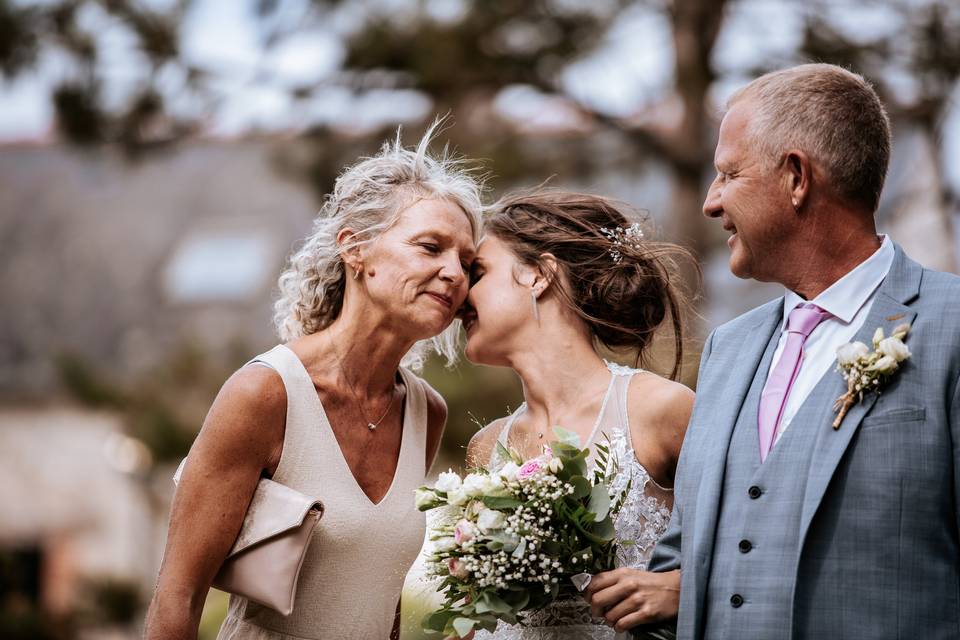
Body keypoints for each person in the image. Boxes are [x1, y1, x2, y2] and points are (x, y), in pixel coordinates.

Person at [643, 63, 960, 639]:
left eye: (728, 174)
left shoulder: (954, 324)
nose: (711, 202)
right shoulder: (727, 349)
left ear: (795, 177)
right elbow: (683, 562)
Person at [143, 124, 483, 640]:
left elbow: (382, 602)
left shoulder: (426, 413)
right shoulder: (264, 393)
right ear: (356, 249)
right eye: (430, 247)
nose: (454, 273)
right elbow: (178, 598)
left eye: (466, 261)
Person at [461, 191, 695, 639]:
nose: (459, 297)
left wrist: (681, 588)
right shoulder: (487, 446)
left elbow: (749, 547)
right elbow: (477, 612)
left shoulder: (659, 409)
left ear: (538, 275)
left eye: (478, 273)